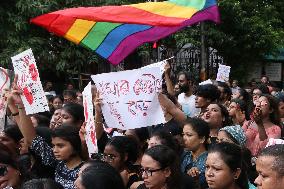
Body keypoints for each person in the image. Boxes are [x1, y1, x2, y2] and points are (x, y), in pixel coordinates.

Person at [181, 118, 210, 189]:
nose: (184, 138)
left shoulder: (209, 159)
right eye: (183, 134)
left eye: (189, 135)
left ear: (202, 139)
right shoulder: (184, 155)